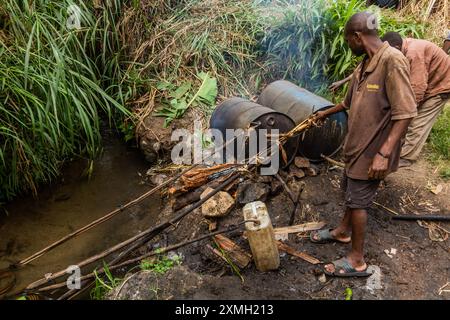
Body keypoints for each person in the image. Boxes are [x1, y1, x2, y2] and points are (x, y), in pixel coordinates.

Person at [310, 12, 417, 277]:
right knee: (349, 191)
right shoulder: (365, 63)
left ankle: (356, 260)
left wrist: (384, 153)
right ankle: (342, 232)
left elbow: (405, 112)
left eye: (348, 40)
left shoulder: (392, 61)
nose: (348, 45)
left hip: (373, 151)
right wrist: (324, 113)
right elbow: (347, 103)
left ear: (358, 37)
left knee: (358, 203)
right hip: (356, 146)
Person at [381, 32, 450, 167]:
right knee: (410, 117)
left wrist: (407, 111)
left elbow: (417, 88)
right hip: (433, 82)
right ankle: (402, 147)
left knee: (417, 122)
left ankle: (406, 157)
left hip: (442, 85)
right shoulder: (404, 47)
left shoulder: (413, 53)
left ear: (396, 46)